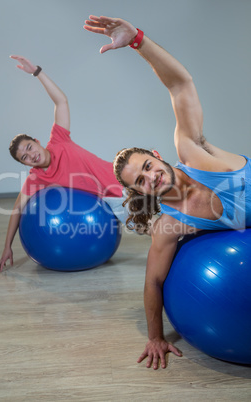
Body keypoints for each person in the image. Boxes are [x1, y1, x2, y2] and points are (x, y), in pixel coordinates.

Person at [84, 15, 251, 370]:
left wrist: (137, 40)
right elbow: (154, 282)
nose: (151, 178)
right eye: (140, 182)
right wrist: (155, 336)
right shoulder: (170, 226)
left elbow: (180, 84)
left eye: (147, 166)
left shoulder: (193, 150)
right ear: (139, 193)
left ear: (157, 156)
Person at [0, 55, 126, 273]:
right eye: (24, 158)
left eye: (29, 147)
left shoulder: (59, 139)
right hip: (115, 201)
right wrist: (7, 247)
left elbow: (61, 101)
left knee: (180, 200)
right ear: (24, 163)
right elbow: (17, 210)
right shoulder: (36, 180)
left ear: (36, 141)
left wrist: (37, 72)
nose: (31, 155)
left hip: (124, 177)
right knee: (160, 226)